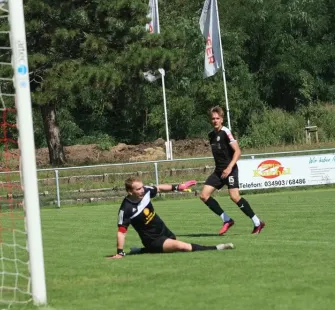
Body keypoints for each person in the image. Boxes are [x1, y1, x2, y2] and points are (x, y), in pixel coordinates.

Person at [108, 177, 235, 258]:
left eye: (142, 187)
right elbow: (121, 232)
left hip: (164, 230)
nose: (142, 190)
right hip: (152, 240)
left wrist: (178, 187)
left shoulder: (146, 191)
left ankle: (141, 251)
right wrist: (119, 252)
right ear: (130, 192)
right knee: (182, 247)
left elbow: (159, 188)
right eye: (138, 189)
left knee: (175, 249)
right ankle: (217, 247)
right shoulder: (126, 209)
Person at [199, 106, 265, 235]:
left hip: (230, 169)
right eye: (213, 118)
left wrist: (229, 168)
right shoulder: (211, 135)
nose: (215, 121)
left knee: (234, 197)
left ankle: (257, 223)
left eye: (217, 118)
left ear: (222, 119)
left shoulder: (226, 132)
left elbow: (238, 151)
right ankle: (227, 220)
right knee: (204, 195)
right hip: (219, 171)